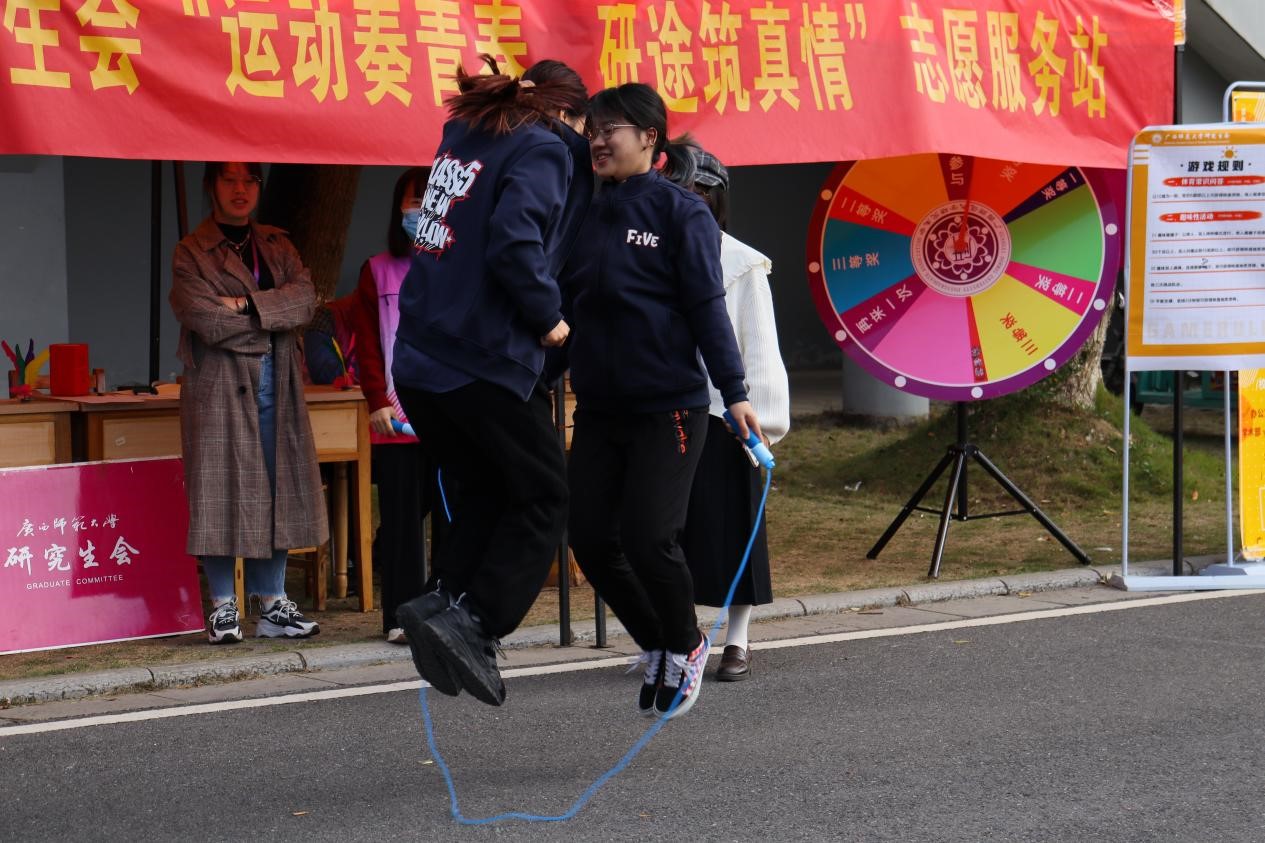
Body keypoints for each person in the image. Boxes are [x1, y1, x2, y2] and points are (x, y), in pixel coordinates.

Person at [390, 61, 588, 707]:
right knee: (545, 494)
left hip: (419, 358)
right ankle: (477, 622)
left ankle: (442, 599)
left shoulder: (467, 133)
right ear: (569, 116)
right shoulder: (543, 148)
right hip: (481, 357)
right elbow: (514, 242)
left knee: (485, 488)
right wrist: (550, 320)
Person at [563, 83, 763, 720]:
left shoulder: (681, 212)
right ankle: (658, 640)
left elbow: (707, 309)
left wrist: (735, 393)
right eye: (591, 130)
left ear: (650, 137)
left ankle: (686, 642)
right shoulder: (582, 210)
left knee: (650, 538)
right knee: (591, 539)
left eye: (611, 130)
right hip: (599, 407)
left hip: (668, 408)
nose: (597, 140)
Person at [170, 162, 328, 644]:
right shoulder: (191, 250)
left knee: (278, 484)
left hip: (277, 380)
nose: (240, 189)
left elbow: (306, 300)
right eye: (229, 179)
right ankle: (223, 605)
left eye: (250, 180)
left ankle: (273, 603)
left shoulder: (277, 244)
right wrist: (273, 319)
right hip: (218, 384)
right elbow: (204, 319)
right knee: (219, 487)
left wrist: (244, 305)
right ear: (211, 186)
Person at [670, 144, 790, 682]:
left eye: (702, 192)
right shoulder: (654, 254)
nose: (693, 199)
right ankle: (681, 635)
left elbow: (759, 345)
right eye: (683, 190)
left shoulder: (741, 262)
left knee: (736, 526)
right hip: (668, 409)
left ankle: (737, 639)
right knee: (670, 530)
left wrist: (762, 420)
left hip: (725, 413)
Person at [352, 165, 444, 645]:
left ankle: (445, 608)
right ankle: (401, 616)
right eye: (413, 200)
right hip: (396, 415)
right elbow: (367, 342)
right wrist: (375, 399)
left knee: (451, 517)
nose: (421, 210)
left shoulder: (460, 265)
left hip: (450, 412)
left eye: (430, 199)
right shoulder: (377, 269)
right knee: (402, 519)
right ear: (398, 208)